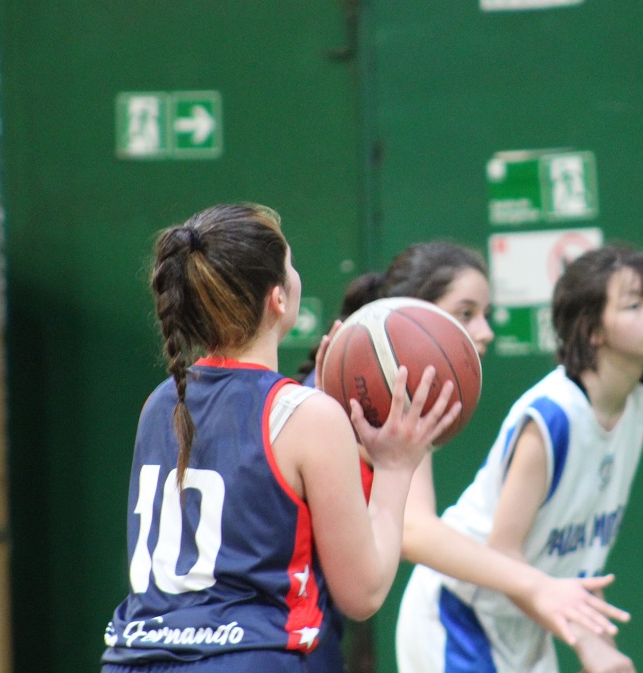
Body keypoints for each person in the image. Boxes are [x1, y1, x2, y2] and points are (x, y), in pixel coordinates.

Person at [100, 203, 459, 673]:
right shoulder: (305, 417)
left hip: (134, 659)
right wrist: (395, 466)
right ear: (279, 299)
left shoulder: (162, 403)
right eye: (291, 266)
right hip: (243, 659)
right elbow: (362, 592)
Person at [308, 242, 630, 671]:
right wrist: (538, 586)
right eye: (466, 314)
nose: (485, 331)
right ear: (413, 316)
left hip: (312, 615)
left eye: (486, 315)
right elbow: (414, 531)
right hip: (274, 617)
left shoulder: (392, 396)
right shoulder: (348, 397)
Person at [395, 243, 643, 673]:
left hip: (527, 620)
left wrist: (599, 644)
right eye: (636, 303)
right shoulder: (551, 418)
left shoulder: (638, 402)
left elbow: (579, 552)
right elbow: (442, 538)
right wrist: (588, 643)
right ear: (592, 329)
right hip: (461, 615)